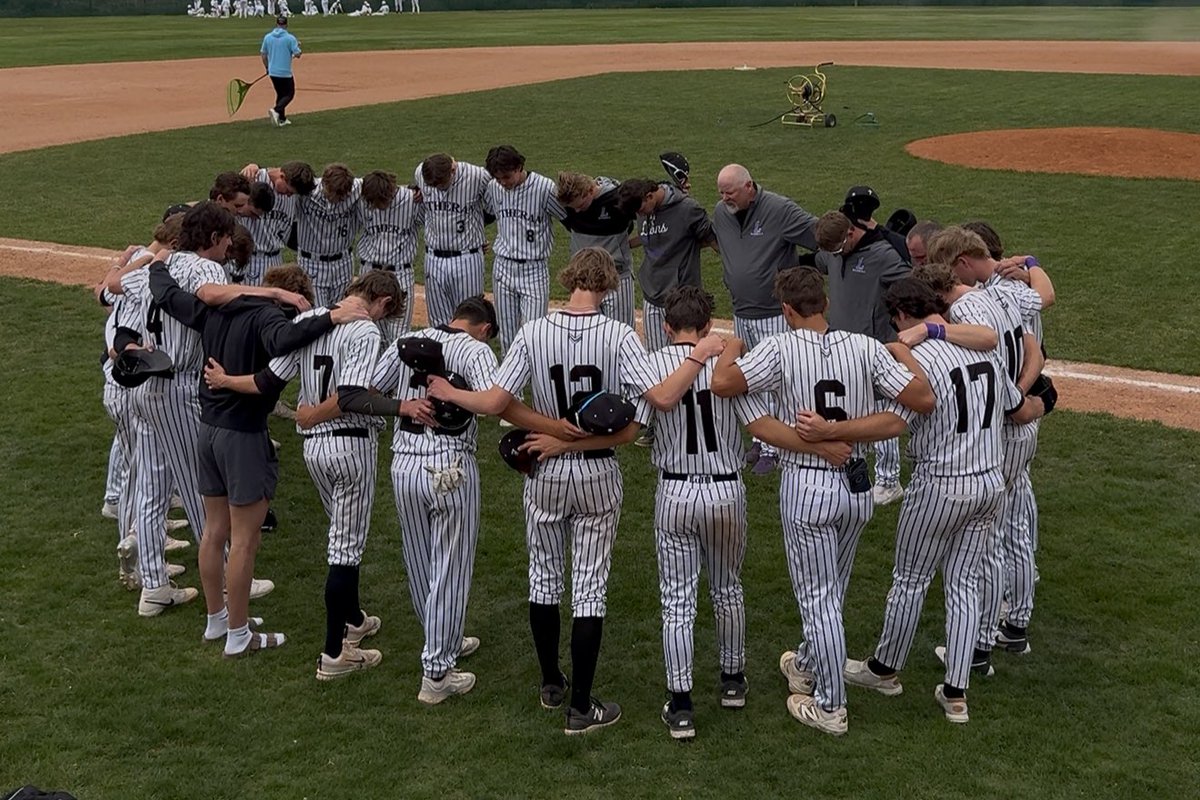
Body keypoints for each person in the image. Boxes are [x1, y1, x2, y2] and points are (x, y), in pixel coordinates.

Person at [427, 247, 723, 735]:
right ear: (608, 285)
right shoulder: (619, 334)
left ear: (569, 280)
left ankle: (550, 684)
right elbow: (662, 399)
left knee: (542, 577)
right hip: (596, 472)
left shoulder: (532, 330)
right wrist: (698, 354)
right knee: (589, 587)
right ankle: (582, 708)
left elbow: (500, 403)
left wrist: (451, 392)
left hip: (543, 466)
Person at [711, 266, 934, 737]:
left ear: (787, 311)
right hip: (856, 486)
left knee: (819, 600)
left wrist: (731, 344)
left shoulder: (779, 347)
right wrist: (846, 430)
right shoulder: (866, 347)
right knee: (833, 586)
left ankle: (831, 706)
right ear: (826, 303)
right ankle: (810, 663)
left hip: (808, 487)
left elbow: (724, 384)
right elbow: (920, 399)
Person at [839, 278, 1042, 725]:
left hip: (939, 485)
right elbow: (1018, 405)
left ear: (899, 316)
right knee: (964, 583)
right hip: (990, 482)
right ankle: (956, 693)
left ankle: (885, 669)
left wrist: (835, 433)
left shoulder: (919, 359)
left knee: (910, 579)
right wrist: (1046, 403)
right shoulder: (982, 350)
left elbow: (895, 422)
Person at [150, 259, 371, 658]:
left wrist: (157, 260)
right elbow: (284, 339)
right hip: (243, 436)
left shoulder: (218, 309)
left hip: (208, 430)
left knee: (213, 531)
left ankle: (216, 619)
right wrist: (332, 317)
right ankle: (238, 634)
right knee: (245, 541)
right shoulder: (271, 316)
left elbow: (169, 296)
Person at [370, 296, 570, 704]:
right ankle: (437, 674)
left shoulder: (409, 337)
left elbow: (370, 388)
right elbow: (501, 403)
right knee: (451, 566)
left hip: (403, 464)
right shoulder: (476, 350)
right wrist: (554, 427)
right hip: (449, 468)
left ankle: (441, 639)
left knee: (420, 559)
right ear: (484, 328)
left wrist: (404, 406)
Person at [204, 270, 402, 674]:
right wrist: (312, 415)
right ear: (380, 300)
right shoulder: (364, 331)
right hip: (349, 446)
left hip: (314, 453)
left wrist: (224, 380)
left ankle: (354, 619)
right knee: (345, 548)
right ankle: (335, 654)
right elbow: (350, 396)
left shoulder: (308, 322)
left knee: (340, 535)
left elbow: (266, 381)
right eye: (387, 310)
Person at [634, 285, 769, 740]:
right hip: (726, 490)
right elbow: (756, 427)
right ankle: (732, 681)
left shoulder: (654, 365)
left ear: (666, 325)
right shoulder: (728, 366)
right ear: (708, 326)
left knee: (677, 600)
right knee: (727, 588)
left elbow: (640, 429)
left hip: (674, 493)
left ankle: (682, 703)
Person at [711, 163, 819, 476]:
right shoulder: (721, 213)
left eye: (730, 192)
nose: (724, 198)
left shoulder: (779, 209)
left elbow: (817, 235)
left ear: (749, 187)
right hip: (741, 311)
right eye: (721, 192)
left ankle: (777, 447)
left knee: (779, 382)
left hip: (775, 312)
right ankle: (761, 439)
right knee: (752, 380)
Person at [814, 209, 912, 505]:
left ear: (851, 233)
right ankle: (857, 467)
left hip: (876, 345)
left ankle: (889, 479)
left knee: (881, 411)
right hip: (843, 344)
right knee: (855, 408)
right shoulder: (833, 251)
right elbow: (820, 261)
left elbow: (910, 283)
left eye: (838, 247)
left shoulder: (883, 255)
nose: (835, 254)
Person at [483, 144, 566, 357]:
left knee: (534, 332)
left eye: (507, 177)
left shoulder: (545, 188)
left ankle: (536, 379)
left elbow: (568, 218)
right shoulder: (494, 187)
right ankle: (511, 387)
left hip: (534, 269)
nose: (503, 182)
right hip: (503, 266)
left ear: (520, 167)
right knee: (507, 332)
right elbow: (488, 214)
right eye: (498, 178)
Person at [413, 153, 490, 328]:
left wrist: (477, 231)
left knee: (470, 319)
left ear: (453, 171)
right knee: (438, 323)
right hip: (433, 259)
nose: (437, 188)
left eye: (441, 184)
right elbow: (418, 191)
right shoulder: (420, 173)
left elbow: (496, 204)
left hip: (467, 260)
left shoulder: (477, 176)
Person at [556, 172, 635, 327]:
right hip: (583, 280)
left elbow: (647, 216)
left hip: (617, 278)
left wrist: (628, 243)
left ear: (590, 191)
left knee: (619, 332)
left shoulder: (618, 198)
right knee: (586, 335)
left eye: (580, 206)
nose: (576, 212)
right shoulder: (569, 203)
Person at [357, 169, 422, 339]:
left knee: (398, 334)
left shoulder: (411, 199)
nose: (376, 205)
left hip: (400, 272)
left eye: (379, 201)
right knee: (368, 331)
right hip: (369, 272)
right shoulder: (362, 197)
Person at [295, 163, 363, 308]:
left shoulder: (357, 188)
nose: (340, 199)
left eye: (344, 195)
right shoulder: (306, 191)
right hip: (311, 263)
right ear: (324, 184)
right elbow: (281, 178)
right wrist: (256, 167)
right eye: (336, 194)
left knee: (341, 314)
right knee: (317, 315)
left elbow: (379, 184)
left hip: (343, 262)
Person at [261, 15, 301, 127]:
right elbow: (297, 54)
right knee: (289, 94)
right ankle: (276, 110)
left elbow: (263, 55)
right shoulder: (290, 38)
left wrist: (267, 68)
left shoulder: (268, 37)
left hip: (273, 72)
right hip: (285, 72)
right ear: (286, 25)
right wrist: (298, 47)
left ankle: (282, 119)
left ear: (277, 24)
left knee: (280, 94)